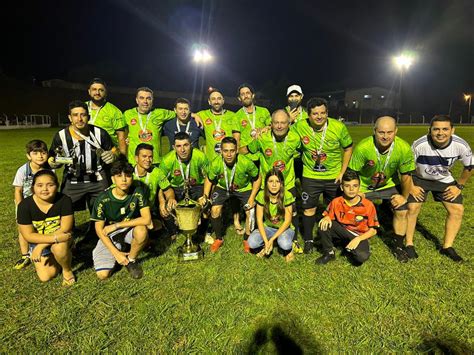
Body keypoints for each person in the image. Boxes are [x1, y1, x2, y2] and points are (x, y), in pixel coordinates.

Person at [405, 115, 472, 261]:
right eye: (436, 129)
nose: (440, 133)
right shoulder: (419, 144)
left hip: (443, 179)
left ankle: (447, 247)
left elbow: (470, 166)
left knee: (457, 210)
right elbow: (404, 167)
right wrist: (411, 186)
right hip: (419, 178)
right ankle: (409, 244)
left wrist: (459, 185)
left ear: (452, 130)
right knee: (412, 207)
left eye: (445, 129)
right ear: (430, 130)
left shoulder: (460, 145)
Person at [349, 116, 415, 262]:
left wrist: (403, 197)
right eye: (381, 132)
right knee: (352, 206)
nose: (385, 136)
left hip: (389, 184)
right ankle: (352, 237)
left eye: (389, 132)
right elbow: (352, 173)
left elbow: (406, 177)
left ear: (396, 131)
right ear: (374, 131)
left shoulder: (403, 148)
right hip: (365, 185)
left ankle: (398, 246)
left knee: (402, 209)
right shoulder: (363, 147)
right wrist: (355, 191)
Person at [293, 97, 353, 254]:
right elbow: (282, 131)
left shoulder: (338, 127)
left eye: (322, 113)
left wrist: (342, 172)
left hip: (333, 176)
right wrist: (267, 127)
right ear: (309, 115)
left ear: (327, 113)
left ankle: (332, 238)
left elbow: (348, 148)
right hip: (310, 176)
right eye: (314, 113)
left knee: (334, 209)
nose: (319, 116)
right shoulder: (300, 126)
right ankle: (308, 240)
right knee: (308, 210)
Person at [240, 109, 301, 251]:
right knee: (264, 211)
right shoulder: (262, 138)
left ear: (289, 124)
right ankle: (263, 236)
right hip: (268, 185)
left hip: (288, 183)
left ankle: (294, 240)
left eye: (283, 123)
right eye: (276, 123)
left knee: (293, 212)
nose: (279, 126)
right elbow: (245, 150)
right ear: (271, 124)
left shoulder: (295, 138)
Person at [49, 100, 116, 213]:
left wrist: (113, 155)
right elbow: (52, 155)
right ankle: (70, 230)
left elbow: (113, 149)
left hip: (98, 178)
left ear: (88, 117)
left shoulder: (100, 133)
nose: (79, 119)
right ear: (70, 117)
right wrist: (53, 162)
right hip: (73, 178)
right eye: (75, 115)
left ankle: (95, 230)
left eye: (83, 115)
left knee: (104, 209)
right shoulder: (61, 135)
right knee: (64, 209)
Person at [91, 159, 151, 280]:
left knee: (142, 230)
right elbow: (99, 229)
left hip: (127, 229)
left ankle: (131, 260)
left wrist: (117, 225)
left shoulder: (138, 192)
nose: (124, 180)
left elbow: (147, 219)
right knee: (103, 275)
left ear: (132, 177)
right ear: (113, 179)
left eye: (128, 176)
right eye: (119, 176)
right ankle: (120, 251)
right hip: (109, 234)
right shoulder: (103, 199)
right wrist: (116, 253)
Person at [17, 170, 75, 285]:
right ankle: (62, 256)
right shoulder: (24, 206)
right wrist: (49, 241)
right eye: (39, 185)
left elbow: (65, 228)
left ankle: (67, 270)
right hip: (42, 239)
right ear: (33, 187)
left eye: (50, 185)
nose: (45, 189)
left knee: (59, 248)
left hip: (60, 238)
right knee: (46, 276)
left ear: (57, 186)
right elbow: (28, 235)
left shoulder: (64, 200)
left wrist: (41, 247)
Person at [204, 137, 261, 253]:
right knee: (214, 210)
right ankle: (219, 238)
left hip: (243, 188)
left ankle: (247, 239)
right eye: (225, 151)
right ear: (221, 151)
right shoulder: (215, 163)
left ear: (236, 151)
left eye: (232, 151)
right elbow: (209, 179)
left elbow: (258, 178)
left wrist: (252, 197)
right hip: (223, 187)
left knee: (250, 211)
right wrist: (205, 196)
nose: (229, 154)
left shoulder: (246, 162)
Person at [316, 170, 379, 265]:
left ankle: (349, 247)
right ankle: (329, 253)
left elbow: (373, 230)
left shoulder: (368, 205)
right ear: (341, 187)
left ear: (359, 187)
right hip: (342, 230)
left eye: (355, 186)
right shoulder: (336, 202)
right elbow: (328, 215)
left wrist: (358, 239)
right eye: (347, 186)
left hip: (359, 235)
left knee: (361, 257)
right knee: (323, 224)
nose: (351, 189)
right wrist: (327, 217)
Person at [159, 132, 209, 240]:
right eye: (178, 146)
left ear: (191, 144)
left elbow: (209, 179)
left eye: (186, 145)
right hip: (174, 188)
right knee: (166, 208)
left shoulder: (200, 156)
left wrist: (205, 195)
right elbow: (161, 184)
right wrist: (164, 201)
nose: (183, 150)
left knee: (206, 205)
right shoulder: (167, 161)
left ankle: (202, 232)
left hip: (197, 187)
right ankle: (173, 231)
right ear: (173, 147)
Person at [12, 140, 50, 269]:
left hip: (44, 204)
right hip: (26, 205)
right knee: (23, 230)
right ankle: (25, 255)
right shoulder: (23, 170)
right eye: (35, 153)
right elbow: (18, 190)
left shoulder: (49, 170)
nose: (40, 156)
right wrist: (21, 208)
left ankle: (47, 249)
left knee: (46, 226)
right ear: (29, 156)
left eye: (43, 153)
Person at [248, 168, 295, 262]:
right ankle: (266, 246)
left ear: (281, 183)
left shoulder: (287, 195)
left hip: (284, 229)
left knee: (285, 244)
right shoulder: (261, 195)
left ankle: (289, 249)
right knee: (252, 243)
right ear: (266, 183)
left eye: (277, 181)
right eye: (271, 181)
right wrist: (266, 241)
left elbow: (287, 221)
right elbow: (259, 220)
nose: (274, 185)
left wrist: (272, 239)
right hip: (268, 228)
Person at [123, 87, 176, 166]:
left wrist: (193, 115)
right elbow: (119, 132)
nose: (145, 101)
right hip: (134, 163)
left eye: (148, 98)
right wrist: (126, 137)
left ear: (152, 100)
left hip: (154, 162)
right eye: (142, 98)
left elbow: (180, 113)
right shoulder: (127, 114)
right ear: (137, 100)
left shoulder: (160, 113)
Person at [133, 143, 174, 230]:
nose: (148, 159)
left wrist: (170, 199)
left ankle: (171, 231)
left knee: (157, 225)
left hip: (150, 210)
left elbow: (168, 190)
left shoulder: (157, 172)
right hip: (132, 211)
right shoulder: (129, 173)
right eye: (144, 156)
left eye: (150, 157)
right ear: (136, 158)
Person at [197, 88, 241, 162]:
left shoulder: (233, 115)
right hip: (211, 160)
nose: (216, 101)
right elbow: (187, 114)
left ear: (223, 101)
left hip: (228, 158)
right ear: (209, 102)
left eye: (219, 99)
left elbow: (236, 137)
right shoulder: (202, 114)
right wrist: (194, 115)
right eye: (213, 99)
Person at [86, 78, 127, 155]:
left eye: (101, 90)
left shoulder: (115, 111)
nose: (97, 92)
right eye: (94, 89)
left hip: (108, 154)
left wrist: (122, 160)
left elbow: (121, 138)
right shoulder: (82, 108)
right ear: (89, 91)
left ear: (105, 93)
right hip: (85, 153)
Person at [234, 83, 271, 167]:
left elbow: (273, 126)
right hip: (246, 157)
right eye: (242, 94)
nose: (246, 96)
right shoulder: (236, 116)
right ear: (239, 98)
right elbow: (236, 141)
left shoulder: (264, 111)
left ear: (253, 95)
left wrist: (266, 127)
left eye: (248, 93)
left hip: (264, 155)